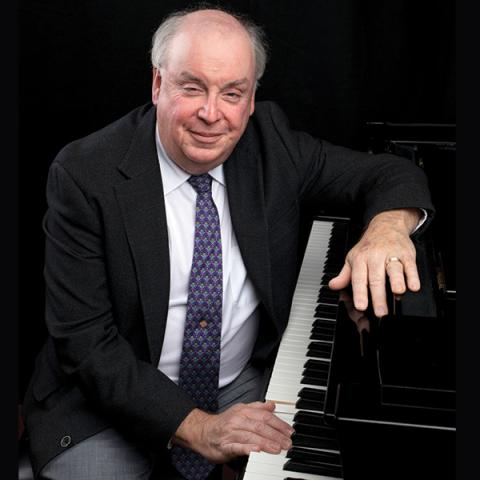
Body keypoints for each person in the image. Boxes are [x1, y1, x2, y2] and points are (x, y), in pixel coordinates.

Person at [21, 4, 434, 480]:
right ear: (158, 85)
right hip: (107, 399)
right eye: (192, 87)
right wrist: (197, 427)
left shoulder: (272, 145)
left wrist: (387, 227)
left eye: (232, 93)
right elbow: (87, 346)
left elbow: (391, 172)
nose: (211, 114)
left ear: (252, 99)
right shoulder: (85, 173)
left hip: (235, 380)